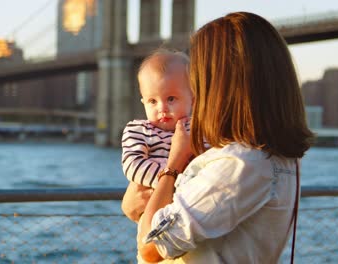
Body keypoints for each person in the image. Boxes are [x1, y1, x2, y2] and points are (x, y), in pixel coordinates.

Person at [128, 12, 314, 263]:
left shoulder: (241, 163)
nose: (195, 85)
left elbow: (151, 246)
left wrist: (170, 169)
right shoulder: (267, 155)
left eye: (199, 74)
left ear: (222, 81)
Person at [121, 49, 193, 222]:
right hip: (154, 212)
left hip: (188, 212)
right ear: (143, 103)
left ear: (193, 98)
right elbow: (133, 164)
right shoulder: (139, 130)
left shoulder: (198, 129)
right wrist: (169, 182)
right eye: (152, 101)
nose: (162, 108)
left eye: (171, 99)